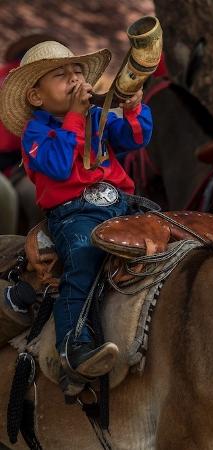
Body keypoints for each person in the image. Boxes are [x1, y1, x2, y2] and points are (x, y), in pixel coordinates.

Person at [0, 40, 153, 380]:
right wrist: (72, 118)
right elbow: (56, 166)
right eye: (60, 74)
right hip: (73, 214)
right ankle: (74, 346)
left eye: (78, 71)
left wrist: (131, 109)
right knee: (82, 262)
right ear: (36, 97)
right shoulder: (35, 131)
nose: (74, 78)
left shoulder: (97, 116)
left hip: (120, 202)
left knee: (167, 236)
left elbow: (134, 139)